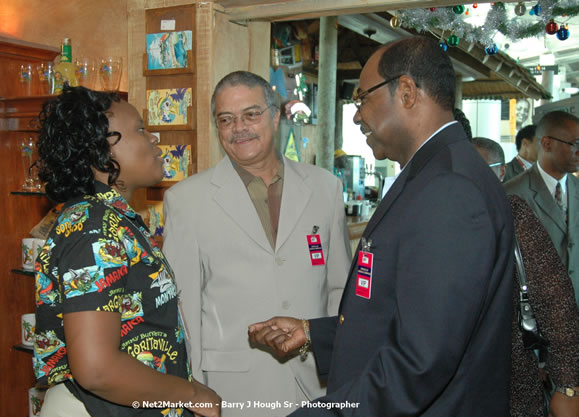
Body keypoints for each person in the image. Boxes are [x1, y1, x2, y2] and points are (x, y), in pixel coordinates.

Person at [249, 36, 515, 416]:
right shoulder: (431, 174)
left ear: (406, 92)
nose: (357, 115)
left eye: (362, 98)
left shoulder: (449, 189)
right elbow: (404, 313)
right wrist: (313, 333)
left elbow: (422, 359)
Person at [162, 71, 351, 417]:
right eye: (226, 119)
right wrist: (193, 391)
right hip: (232, 391)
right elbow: (182, 309)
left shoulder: (325, 188)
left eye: (251, 114)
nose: (239, 128)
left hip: (315, 385)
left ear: (275, 116)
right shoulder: (186, 200)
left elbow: (339, 289)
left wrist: (338, 368)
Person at [33, 86, 220, 417]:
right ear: (100, 153)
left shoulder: (113, 218)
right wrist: (191, 393)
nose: (153, 137)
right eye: (141, 129)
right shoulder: (93, 228)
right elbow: (97, 368)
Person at [473, 135, 579, 417]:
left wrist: (567, 385)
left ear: (501, 170)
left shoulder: (511, 211)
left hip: (514, 377)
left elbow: (555, 299)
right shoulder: (439, 221)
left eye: (482, 168)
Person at [504, 110, 579, 306]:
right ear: (547, 144)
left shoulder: (576, 188)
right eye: (574, 144)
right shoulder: (513, 193)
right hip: (535, 318)